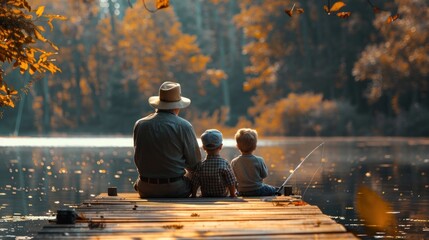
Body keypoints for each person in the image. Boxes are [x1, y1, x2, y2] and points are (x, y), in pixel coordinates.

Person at [133, 81, 202, 198]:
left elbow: (139, 158)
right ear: (177, 106)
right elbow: (195, 164)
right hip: (176, 189)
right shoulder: (184, 126)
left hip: (145, 189)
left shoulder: (140, 124)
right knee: (194, 173)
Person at [231, 128, 278, 196]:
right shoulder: (259, 160)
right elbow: (264, 175)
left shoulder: (234, 162)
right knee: (273, 189)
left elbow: (233, 178)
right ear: (255, 146)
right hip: (258, 190)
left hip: (242, 191)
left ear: (238, 146)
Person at [191, 129, 237, 198]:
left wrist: (194, 195)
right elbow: (231, 181)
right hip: (222, 196)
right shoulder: (224, 164)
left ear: (203, 147)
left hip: (205, 196)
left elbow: (195, 183)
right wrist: (232, 194)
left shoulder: (200, 166)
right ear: (221, 146)